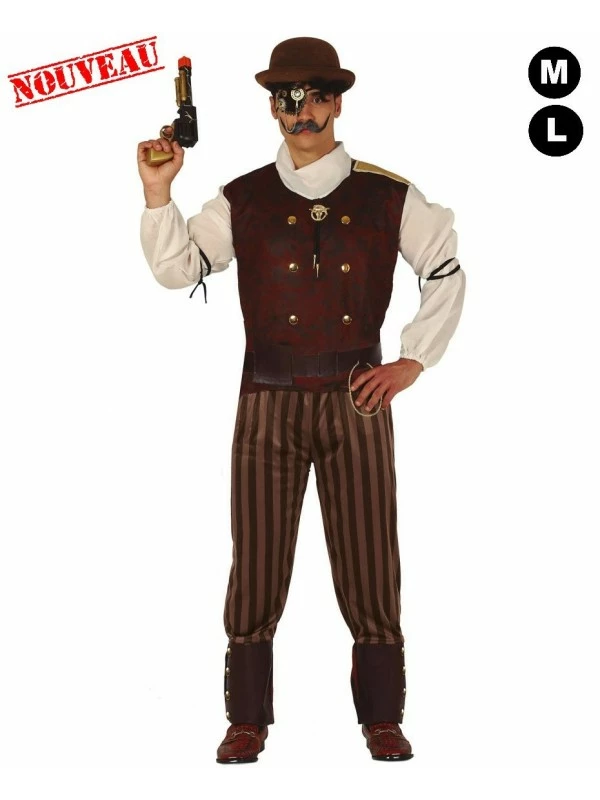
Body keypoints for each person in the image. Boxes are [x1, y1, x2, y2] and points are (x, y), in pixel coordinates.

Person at [137, 36, 465, 764]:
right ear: (273, 108)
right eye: (289, 98)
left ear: (337, 102)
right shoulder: (243, 198)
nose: (303, 112)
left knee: (371, 559)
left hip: (358, 397)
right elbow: (179, 268)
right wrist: (159, 193)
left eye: (317, 96)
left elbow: (444, 267)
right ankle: (246, 720)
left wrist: (413, 359)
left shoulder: (387, 195)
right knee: (255, 560)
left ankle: (382, 717)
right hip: (267, 397)